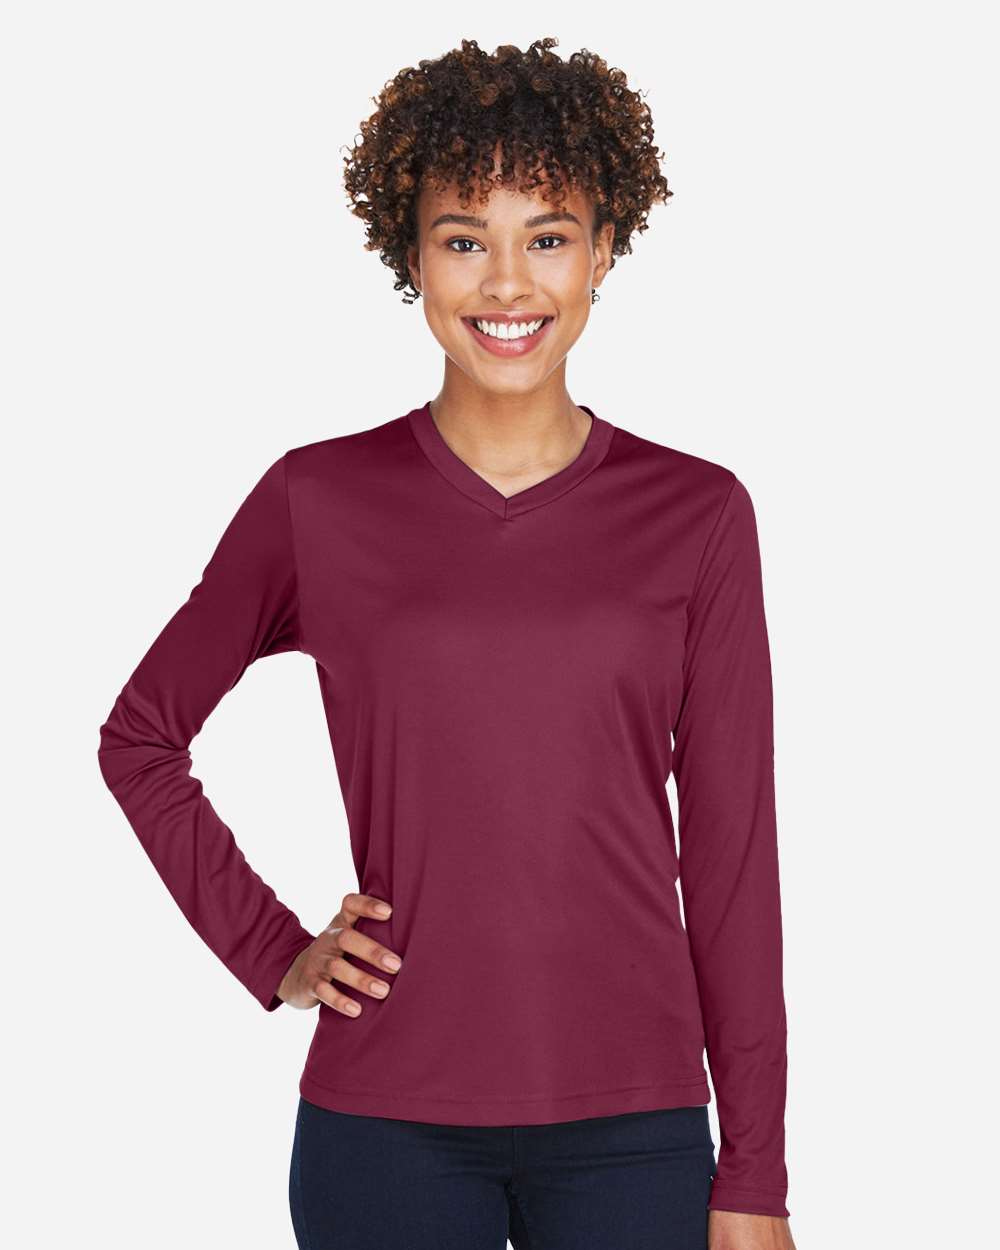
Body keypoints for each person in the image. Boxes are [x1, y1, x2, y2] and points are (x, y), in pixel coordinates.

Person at [97, 36, 796, 1250]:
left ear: (604, 250)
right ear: (411, 256)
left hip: (634, 1125)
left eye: (549, 236)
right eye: (465, 239)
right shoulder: (318, 500)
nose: (507, 283)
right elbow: (139, 737)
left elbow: (734, 862)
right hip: (384, 1126)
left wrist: (756, 1172)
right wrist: (275, 951)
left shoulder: (699, 514)